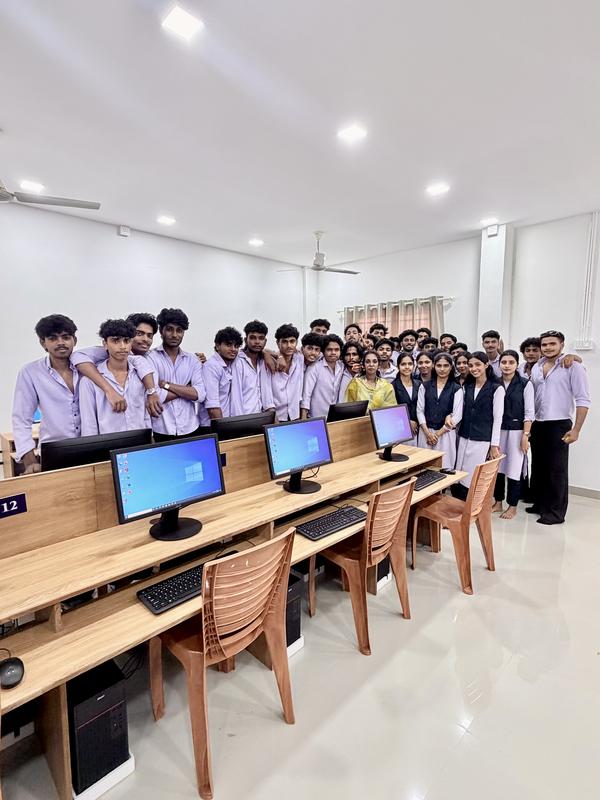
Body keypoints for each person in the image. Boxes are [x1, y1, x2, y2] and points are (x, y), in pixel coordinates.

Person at [527, 330, 591, 525]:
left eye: (552, 344)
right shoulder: (537, 366)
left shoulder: (572, 366)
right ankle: (540, 504)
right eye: (544, 344)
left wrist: (576, 429)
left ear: (561, 345)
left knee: (556, 469)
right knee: (539, 466)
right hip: (538, 423)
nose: (547, 348)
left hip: (559, 423)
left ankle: (555, 513)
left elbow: (583, 399)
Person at [12, 314, 82, 473]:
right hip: (54, 451)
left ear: (74, 340)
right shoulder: (30, 372)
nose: (61, 342)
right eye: (53, 338)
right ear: (43, 343)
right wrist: (30, 461)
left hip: (92, 445)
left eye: (66, 337)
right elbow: (21, 419)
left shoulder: (86, 368)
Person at [79, 319, 151, 436]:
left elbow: (145, 415)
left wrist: (149, 439)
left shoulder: (140, 375)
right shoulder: (88, 381)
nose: (122, 346)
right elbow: (89, 424)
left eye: (126, 341)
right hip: (107, 444)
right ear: (105, 344)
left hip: (140, 442)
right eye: (116, 341)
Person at [147, 308, 207, 440]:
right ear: (161, 331)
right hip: (162, 429)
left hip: (191, 427)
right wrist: (186, 389)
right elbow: (157, 395)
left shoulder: (193, 360)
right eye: (169, 329)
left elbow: (200, 394)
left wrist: (167, 385)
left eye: (179, 330)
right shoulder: (150, 358)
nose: (175, 335)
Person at [453, 352, 505, 499]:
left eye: (478, 365)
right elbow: (460, 411)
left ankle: (471, 505)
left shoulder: (496, 388)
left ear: (486, 365)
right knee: (460, 473)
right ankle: (460, 504)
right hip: (464, 435)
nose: (474, 368)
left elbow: (498, 418)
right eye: (470, 365)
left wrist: (494, 445)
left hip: (482, 438)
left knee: (473, 476)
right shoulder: (467, 386)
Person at [491, 350, 534, 519]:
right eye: (504, 362)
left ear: (517, 364)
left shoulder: (525, 384)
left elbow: (529, 412)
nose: (507, 366)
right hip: (498, 430)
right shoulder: (494, 383)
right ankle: (498, 502)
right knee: (498, 469)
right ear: (499, 364)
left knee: (514, 470)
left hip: (517, 432)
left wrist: (526, 435)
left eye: (511, 362)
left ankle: (513, 505)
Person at [416, 352, 463, 467]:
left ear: (451, 367)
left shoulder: (456, 388)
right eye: (439, 365)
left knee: (445, 467)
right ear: (434, 366)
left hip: (446, 434)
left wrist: (436, 435)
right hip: (425, 432)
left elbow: (457, 415)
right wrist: (427, 433)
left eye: (446, 365)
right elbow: (420, 410)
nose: (442, 369)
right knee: (423, 466)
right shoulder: (425, 386)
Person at [230, 319, 275, 416]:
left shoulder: (263, 361)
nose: (257, 342)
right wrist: (240, 421)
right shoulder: (238, 362)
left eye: (261, 338)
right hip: (244, 418)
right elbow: (236, 398)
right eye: (253, 338)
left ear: (265, 341)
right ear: (245, 340)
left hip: (262, 417)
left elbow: (267, 394)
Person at [203, 326, 243, 419]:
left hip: (226, 422)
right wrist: (223, 427)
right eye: (228, 345)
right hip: (213, 424)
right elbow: (213, 408)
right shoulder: (212, 367)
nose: (233, 349)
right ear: (217, 346)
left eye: (236, 346)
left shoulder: (231, 364)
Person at [301, 334, 344, 418]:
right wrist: (303, 420)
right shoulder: (314, 368)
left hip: (334, 418)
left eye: (336, 349)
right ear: (323, 351)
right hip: (316, 418)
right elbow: (306, 396)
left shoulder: (342, 366)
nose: (333, 353)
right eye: (329, 349)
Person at [272, 324, 304, 421]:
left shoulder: (299, 358)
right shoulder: (270, 362)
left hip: (295, 415)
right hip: (277, 416)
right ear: (278, 343)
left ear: (296, 342)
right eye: (285, 342)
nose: (289, 345)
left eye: (292, 341)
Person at [392, 352, 421, 445]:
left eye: (410, 364)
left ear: (414, 365)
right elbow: (393, 409)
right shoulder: (392, 386)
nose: (407, 367)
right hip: (401, 428)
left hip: (419, 428)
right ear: (398, 366)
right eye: (403, 364)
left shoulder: (419, 384)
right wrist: (407, 421)